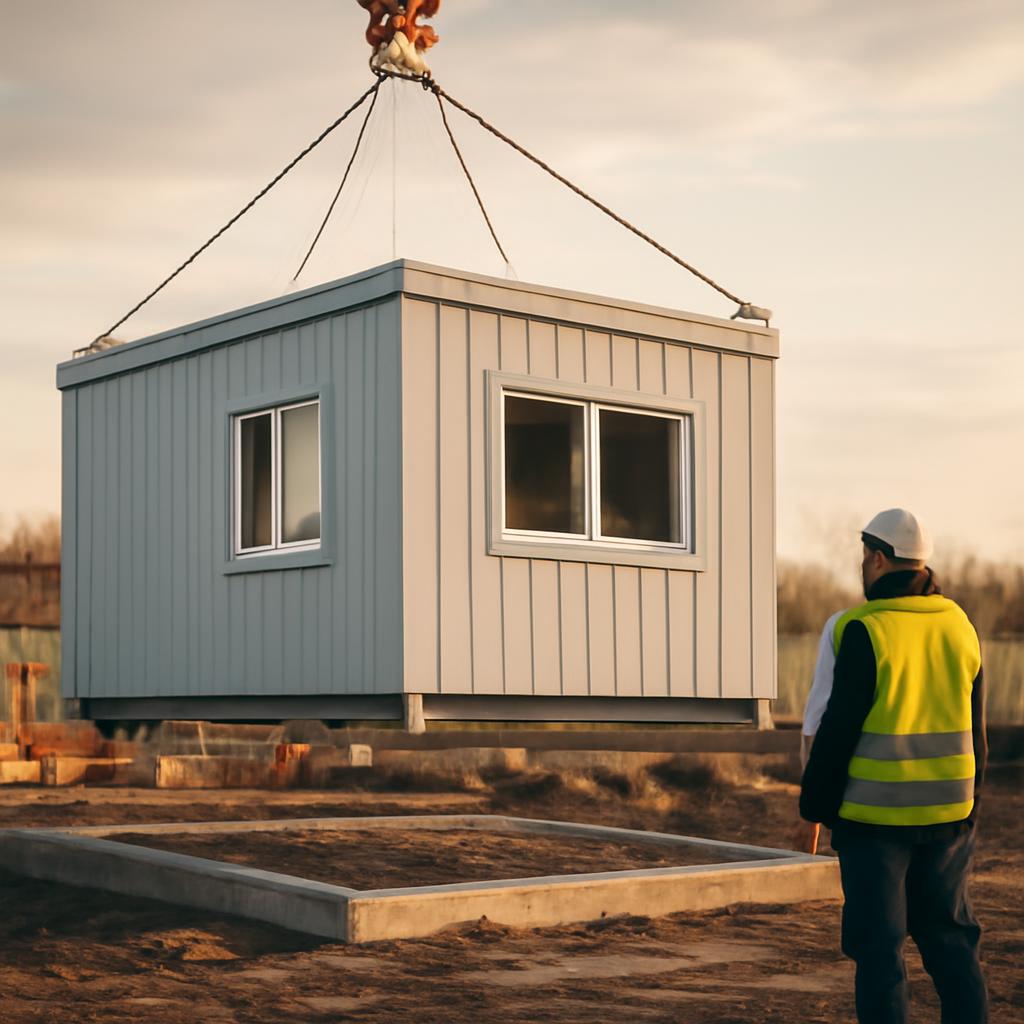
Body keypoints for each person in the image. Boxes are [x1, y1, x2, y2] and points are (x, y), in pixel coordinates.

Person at [798, 508, 988, 1024]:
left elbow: (838, 731)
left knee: (880, 953)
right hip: (949, 816)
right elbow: (976, 728)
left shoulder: (864, 629)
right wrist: (971, 805)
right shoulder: (959, 625)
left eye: (865, 557)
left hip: (873, 822)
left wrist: (815, 806)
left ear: (879, 560)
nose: (862, 566)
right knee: (952, 944)